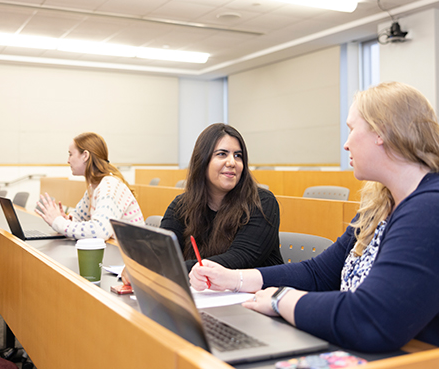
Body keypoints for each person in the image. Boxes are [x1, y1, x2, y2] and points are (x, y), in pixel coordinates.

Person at [190, 82, 439, 352]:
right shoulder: (378, 206)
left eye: (352, 130)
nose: (346, 144)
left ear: (381, 133)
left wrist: (281, 300)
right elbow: (319, 273)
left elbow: (371, 318)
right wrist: (235, 279)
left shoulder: (429, 208)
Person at [161, 123, 282, 273]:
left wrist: (169, 269)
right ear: (202, 161)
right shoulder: (181, 205)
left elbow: (239, 258)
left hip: (255, 294)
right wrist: (143, 266)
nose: (232, 162)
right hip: (204, 292)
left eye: (238, 156)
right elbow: (163, 253)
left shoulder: (262, 202)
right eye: (222, 154)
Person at [36, 132, 144, 239]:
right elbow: (79, 218)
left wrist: (59, 223)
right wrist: (66, 220)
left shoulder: (109, 185)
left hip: (132, 254)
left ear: (85, 156)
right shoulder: (94, 186)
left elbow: (99, 231)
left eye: (70, 154)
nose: (68, 161)